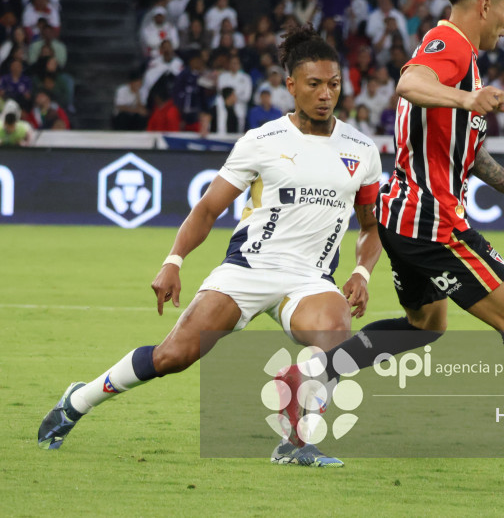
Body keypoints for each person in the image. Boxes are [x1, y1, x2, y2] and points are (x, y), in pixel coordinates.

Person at [275, 0, 504, 498]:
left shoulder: (463, 58)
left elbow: (468, 150)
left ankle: (316, 374)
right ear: (484, 5)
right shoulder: (451, 44)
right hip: (433, 225)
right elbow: (409, 83)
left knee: (425, 326)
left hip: (401, 218)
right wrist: (465, 96)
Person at [37, 26, 384, 469]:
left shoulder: (361, 149)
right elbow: (206, 210)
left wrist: (361, 272)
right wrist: (173, 262)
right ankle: (77, 401)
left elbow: (372, 227)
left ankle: (297, 444)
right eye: (314, 84)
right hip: (247, 270)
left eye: (333, 84)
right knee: (172, 357)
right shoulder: (262, 142)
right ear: (291, 85)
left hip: (309, 279)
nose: (325, 94)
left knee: (335, 339)